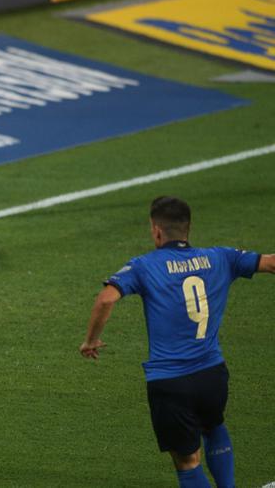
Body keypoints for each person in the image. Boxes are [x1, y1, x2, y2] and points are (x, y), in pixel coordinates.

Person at [80, 196, 274, 487]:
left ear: (156, 231)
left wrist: (90, 341)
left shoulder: (144, 266)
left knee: (186, 461)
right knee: (214, 426)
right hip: (212, 374)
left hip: (170, 381)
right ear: (188, 228)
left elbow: (107, 298)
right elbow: (270, 263)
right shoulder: (221, 256)